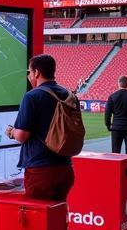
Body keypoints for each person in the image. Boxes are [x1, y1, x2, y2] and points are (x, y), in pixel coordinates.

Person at [4, 53, 75, 201]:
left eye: (29, 72)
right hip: (66, 168)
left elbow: (22, 135)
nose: (29, 76)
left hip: (41, 170)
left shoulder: (32, 96)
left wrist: (11, 132)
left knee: (39, 219)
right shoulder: (68, 94)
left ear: (37, 72)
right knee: (58, 214)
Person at [104, 76, 127, 154]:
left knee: (115, 152)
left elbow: (107, 113)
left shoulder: (112, 96)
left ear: (118, 83)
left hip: (117, 127)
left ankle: (116, 166)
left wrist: (108, 125)